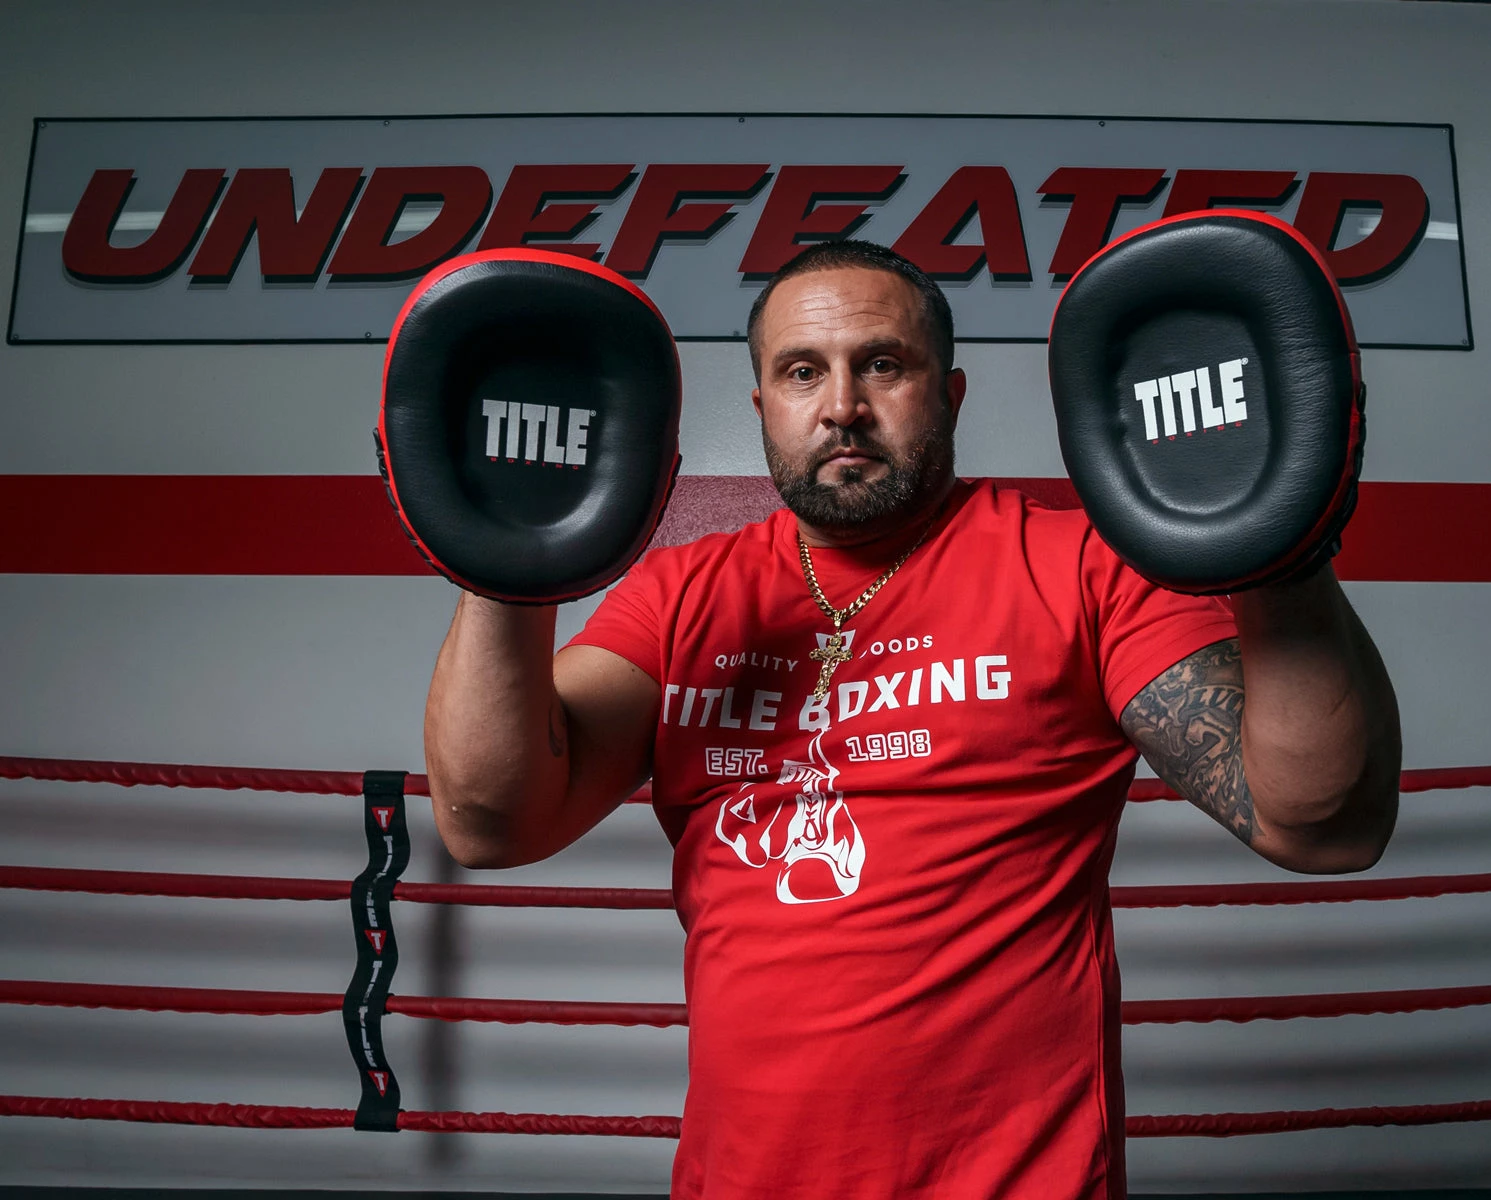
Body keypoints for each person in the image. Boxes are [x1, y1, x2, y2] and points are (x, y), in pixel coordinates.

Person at [422, 240, 1402, 1199]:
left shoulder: (1079, 567)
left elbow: (1325, 825)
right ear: (764, 407)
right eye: (803, 372)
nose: (841, 406)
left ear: (950, 393)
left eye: (882, 365)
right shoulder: (682, 595)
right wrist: (507, 554)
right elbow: (492, 820)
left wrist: (1283, 554)